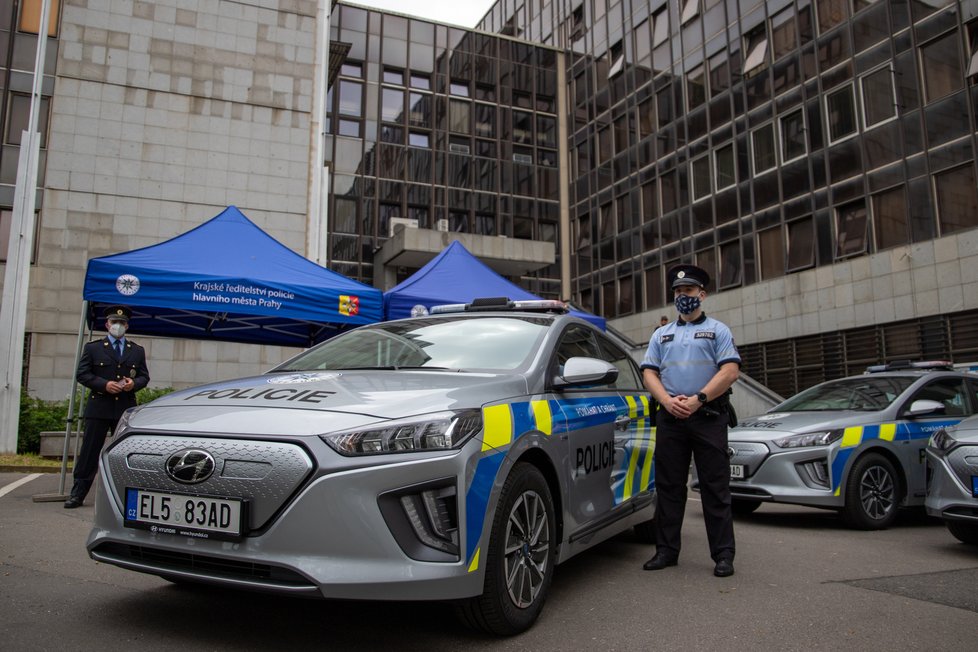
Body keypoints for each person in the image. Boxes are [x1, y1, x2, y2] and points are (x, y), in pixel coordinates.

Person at [639, 264, 741, 577]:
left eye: (689, 290)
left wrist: (698, 399)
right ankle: (666, 551)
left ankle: (723, 556)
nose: (683, 296)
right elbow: (649, 373)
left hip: (708, 416)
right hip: (671, 417)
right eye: (678, 291)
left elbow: (729, 371)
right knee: (669, 488)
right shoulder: (662, 334)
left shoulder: (719, 331)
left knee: (715, 488)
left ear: (702, 294)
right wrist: (667, 400)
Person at [64, 305, 150, 508]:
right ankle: (78, 493)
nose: (117, 326)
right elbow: (82, 374)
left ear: (127, 325)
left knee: (126, 452)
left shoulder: (136, 351)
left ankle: (127, 497)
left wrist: (133, 384)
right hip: (99, 407)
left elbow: (144, 376)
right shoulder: (93, 348)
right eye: (114, 322)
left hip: (125, 408)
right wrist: (104, 384)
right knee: (89, 452)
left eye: (121, 323)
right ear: (107, 324)